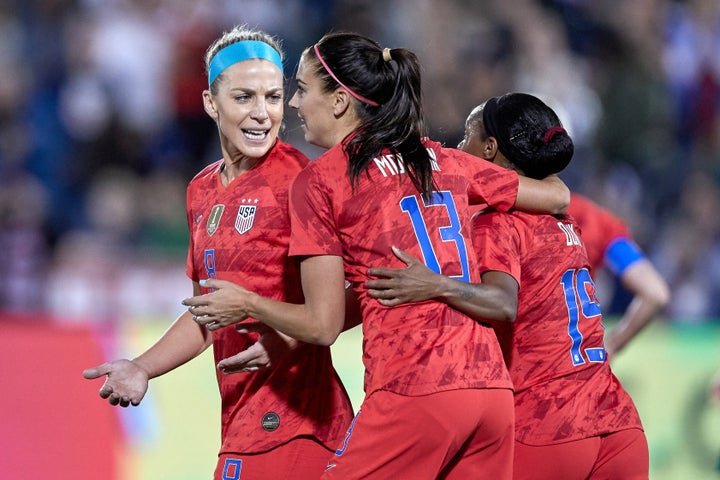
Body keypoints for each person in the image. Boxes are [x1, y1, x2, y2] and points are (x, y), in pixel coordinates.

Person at [183, 33, 571, 479]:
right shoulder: (437, 157)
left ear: (340, 103)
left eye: (303, 90)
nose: (293, 104)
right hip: (492, 395)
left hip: (416, 387)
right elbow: (557, 196)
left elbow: (322, 326)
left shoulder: (323, 181)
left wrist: (248, 303)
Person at [82, 25, 354, 480]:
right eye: (244, 97)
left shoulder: (302, 183)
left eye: (272, 97)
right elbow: (207, 315)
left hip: (300, 424)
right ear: (211, 102)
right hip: (241, 422)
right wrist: (142, 368)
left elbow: (358, 287)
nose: (262, 113)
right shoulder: (200, 191)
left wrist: (282, 337)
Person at [365, 93, 649, 480]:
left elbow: (503, 302)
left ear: (490, 147)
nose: (458, 146)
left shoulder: (497, 222)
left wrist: (434, 284)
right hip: (617, 421)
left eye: (467, 136)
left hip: (549, 424)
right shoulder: (563, 220)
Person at [567, 192, 670, 355]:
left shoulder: (517, 213)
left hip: (522, 363)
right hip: (576, 362)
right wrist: (612, 345)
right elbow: (655, 293)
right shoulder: (595, 220)